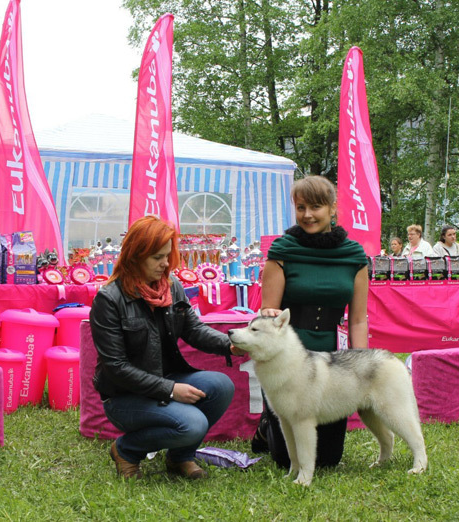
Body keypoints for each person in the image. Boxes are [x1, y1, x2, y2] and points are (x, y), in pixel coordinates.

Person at [90, 215, 240, 480]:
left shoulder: (172, 286)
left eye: (168, 256)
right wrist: (170, 390)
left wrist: (230, 345)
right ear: (135, 255)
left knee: (221, 386)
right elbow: (116, 367)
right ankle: (126, 449)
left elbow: (193, 329)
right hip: (124, 397)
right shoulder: (109, 298)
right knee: (193, 424)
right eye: (157, 257)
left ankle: (180, 457)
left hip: (166, 379)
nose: (165, 264)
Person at [252, 175, 368, 469]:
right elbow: (269, 311)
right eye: (300, 207)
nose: (307, 215)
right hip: (288, 357)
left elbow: (357, 319)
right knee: (283, 460)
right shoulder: (282, 251)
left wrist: (362, 361)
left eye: (315, 207)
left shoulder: (354, 256)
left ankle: (273, 426)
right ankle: (268, 427)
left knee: (327, 460)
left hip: (332, 359)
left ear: (332, 208)